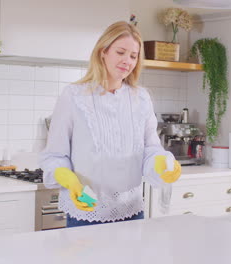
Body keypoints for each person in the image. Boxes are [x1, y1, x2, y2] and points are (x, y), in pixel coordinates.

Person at [39, 21, 181, 228]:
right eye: (121, 52)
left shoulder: (141, 98)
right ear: (103, 52)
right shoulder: (74, 96)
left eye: (133, 56)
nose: (127, 61)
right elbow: (54, 155)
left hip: (132, 209)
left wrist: (162, 163)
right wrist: (68, 179)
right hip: (86, 208)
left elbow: (150, 149)